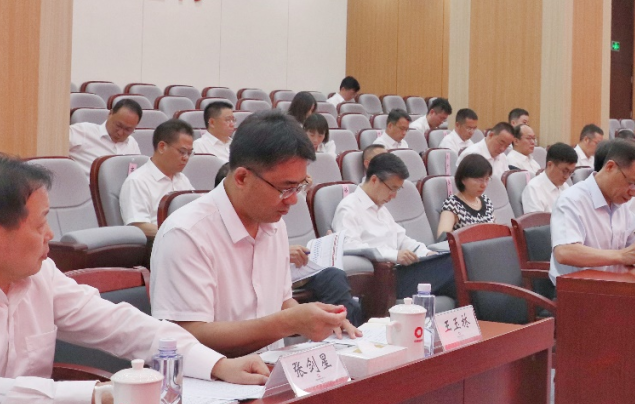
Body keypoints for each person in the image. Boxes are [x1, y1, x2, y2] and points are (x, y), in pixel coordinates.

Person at [0, 154, 268, 404]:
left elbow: (119, 325)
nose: (50, 234)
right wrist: (97, 396)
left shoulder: (37, 274)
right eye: (40, 224)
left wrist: (217, 365)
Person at [151, 112, 363, 357]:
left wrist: (315, 319)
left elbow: (281, 302)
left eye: (299, 187)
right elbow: (185, 336)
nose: (293, 200)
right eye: (285, 188)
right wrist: (289, 322)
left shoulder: (274, 224)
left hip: (271, 368)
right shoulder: (186, 234)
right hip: (213, 377)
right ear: (242, 177)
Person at [332, 153, 455, 300]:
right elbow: (349, 246)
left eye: (398, 189)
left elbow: (401, 239)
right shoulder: (349, 208)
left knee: (456, 261)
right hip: (381, 278)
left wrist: (426, 253)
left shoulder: (380, 208)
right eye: (392, 188)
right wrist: (394, 255)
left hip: (399, 271)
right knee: (454, 266)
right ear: (374, 180)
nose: (394, 195)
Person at [549, 140, 635, 284]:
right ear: (610, 167)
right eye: (632, 183)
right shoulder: (572, 200)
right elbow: (565, 252)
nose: (634, 193)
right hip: (578, 291)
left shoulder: (620, 204)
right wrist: (620, 256)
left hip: (615, 286)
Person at [120, 119, 195, 238]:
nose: (186, 158)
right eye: (182, 152)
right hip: (158, 243)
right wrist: (179, 234)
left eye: (189, 153)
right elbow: (138, 226)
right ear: (162, 147)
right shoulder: (137, 181)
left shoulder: (182, 179)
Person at [68, 98, 142, 169]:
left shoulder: (132, 143)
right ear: (110, 114)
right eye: (118, 125)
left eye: (128, 130)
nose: (120, 133)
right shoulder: (83, 131)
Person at [437, 154, 495, 234]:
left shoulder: (486, 201)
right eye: (479, 180)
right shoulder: (453, 204)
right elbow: (443, 236)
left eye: (487, 179)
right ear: (463, 179)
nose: (484, 185)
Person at [522, 143, 577, 213]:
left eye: (570, 172)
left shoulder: (565, 187)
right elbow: (536, 220)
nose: (567, 177)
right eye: (565, 171)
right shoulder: (534, 189)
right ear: (550, 165)